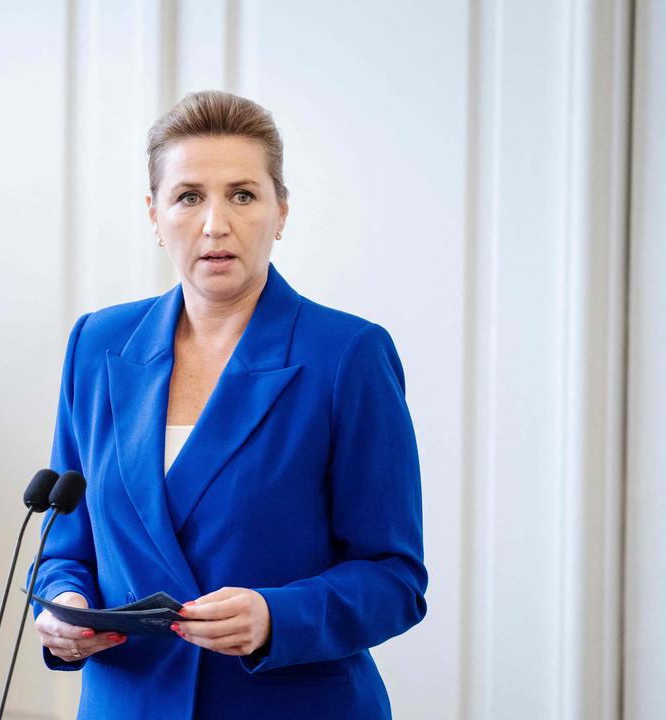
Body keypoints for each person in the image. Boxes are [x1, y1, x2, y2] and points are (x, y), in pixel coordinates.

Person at [31, 91, 427, 718]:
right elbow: (65, 546)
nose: (216, 223)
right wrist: (63, 609)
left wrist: (276, 616)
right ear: (154, 216)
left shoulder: (348, 355)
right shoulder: (97, 345)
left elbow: (395, 578)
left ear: (280, 212)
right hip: (128, 702)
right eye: (188, 196)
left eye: (242, 195)